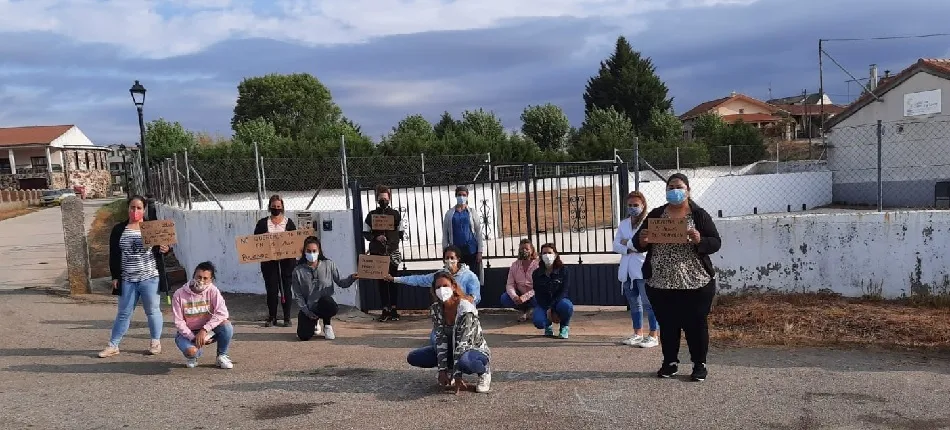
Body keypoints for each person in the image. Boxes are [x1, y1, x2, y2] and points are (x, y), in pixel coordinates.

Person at [633, 173, 721, 382]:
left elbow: (715, 242)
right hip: (661, 283)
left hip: (695, 282)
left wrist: (700, 240)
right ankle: (670, 362)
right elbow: (638, 242)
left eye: (679, 187)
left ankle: (699, 364)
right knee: (668, 323)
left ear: (688, 190)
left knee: (696, 324)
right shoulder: (656, 215)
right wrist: (643, 241)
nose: (674, 190)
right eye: (670, 187)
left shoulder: (699, 215)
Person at [99, 195, 171, 358]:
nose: (135, 211)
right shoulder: (119, 229)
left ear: (144, 209)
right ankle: (113, 345)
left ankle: (155, 342)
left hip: (149, 277)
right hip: (128, 279)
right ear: (128, 208)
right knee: (123, 312)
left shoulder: (151, 228)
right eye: (132, 207)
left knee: (152, 311)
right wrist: (115, 277)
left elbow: (162, 252)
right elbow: (114, 255)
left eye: (139, 208)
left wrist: (166, 249)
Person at [406, 272, 492, 394]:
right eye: (438, 287)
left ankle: (484, 371)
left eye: (445, 286)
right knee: (414, 357)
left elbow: (462, 344)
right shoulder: (436, 309)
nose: (442, 290)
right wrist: (442, 369)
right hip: (451, 350)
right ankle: (449, 369)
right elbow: (440, 339)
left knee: (466, 363)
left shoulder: (465, 309)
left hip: (472, 349)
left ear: (453, 286)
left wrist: (458, 376)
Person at [613, 190, 658, 348]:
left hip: (642, 268)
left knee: (649, 303)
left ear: (643, 205)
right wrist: (631, 245)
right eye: (630, 205)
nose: (632, 208)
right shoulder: (624, 223)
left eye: (636, 205)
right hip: (626, 270)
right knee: (634, 304)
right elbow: (615, 245)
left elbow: (648, 243)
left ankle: (653, 335)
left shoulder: (648, 222)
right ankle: (637, 333)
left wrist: (628, 243)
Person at [292, 236, 358, 341]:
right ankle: (314, 322)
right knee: (303, 336)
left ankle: (327, 325)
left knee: (326, 301)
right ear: (304, 251)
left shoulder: (329, 265)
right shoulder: (298, 271)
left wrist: (352, 278)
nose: (311, 254)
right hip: (310, 307)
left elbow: (341, 282)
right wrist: (307, 312)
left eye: (314, 251)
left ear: (319, 251)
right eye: (308, 251)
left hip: (326, 303)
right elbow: (298, 295)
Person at [171, 262, 234, 369]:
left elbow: (222, 313)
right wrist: (193, 337)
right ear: (193, 276)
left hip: (207, 332)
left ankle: (222, 355)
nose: (201, 281)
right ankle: (193, 356)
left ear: (211, 280)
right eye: (199, 277)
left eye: (205, 278)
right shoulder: (179, 294)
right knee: (192, 352)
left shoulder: (213, 291)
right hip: (187, 333)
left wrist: (204, 330)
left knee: (226, 325)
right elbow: (178, 321)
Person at [254, 194, 298, 328]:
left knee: (286, 289)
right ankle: (272, 316)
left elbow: (294, 240)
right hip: (269, 262)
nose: (276, 209)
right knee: (272, 290)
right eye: (273, 207)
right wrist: (264, 236)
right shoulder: (263, 223)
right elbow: (255, 240)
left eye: (278, 207)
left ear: (282, 207)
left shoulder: (288, 222)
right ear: (269, 207)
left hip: (286, 262)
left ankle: (286, 317)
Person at [362, 185, 404, 322]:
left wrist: (393, 240)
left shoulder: (396, 214)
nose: (383, 201)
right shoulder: (371, 215)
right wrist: (376, 237)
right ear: (376, 199)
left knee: (393, 281)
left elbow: (401, 231)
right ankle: (385, 309)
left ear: (389, 199)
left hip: (392, 252)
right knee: (381, 282)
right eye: (381, 198)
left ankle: (394, 309)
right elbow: (365, 232)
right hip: (377, 253)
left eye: (385, 198)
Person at [532, 243, 574, 339]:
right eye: (544, 253)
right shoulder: (536, 273)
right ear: (540, 255)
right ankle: (547, 325)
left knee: (566, 306)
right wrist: (547, 309)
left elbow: (563, 291)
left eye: (549, 252)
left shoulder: (564, 270)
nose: (547, 255)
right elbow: (537, 293)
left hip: (559, 301)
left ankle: (564, 326)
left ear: (555, 254)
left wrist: (552, 307)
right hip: (544, 303)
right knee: (538, 321)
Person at [441, 185, 483, 281]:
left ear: (467, 196)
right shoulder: (449, 214)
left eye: (464, 195)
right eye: (459, 195)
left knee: (473, 278)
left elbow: (479, 232)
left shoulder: (472, 212)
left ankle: (474, 296)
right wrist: (445, 253)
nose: (461, 197)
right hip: (456, 252)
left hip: (471, 250)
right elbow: (445, 235)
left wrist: (480, 251)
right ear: (456, 196)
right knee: (457, 278)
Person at [500, 239, 539, 322]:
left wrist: (525, 297)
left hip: (533, 295)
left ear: (532, 251)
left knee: (539, 296)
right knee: (505, 298)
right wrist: (514, 297)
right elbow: (509, 284)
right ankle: (522, 310)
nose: (524, 251)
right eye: (521, 249)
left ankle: (532, 310)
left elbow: (539, 287)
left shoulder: (538, 265)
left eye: (527, 249)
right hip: (520, 294)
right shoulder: (515, 265)